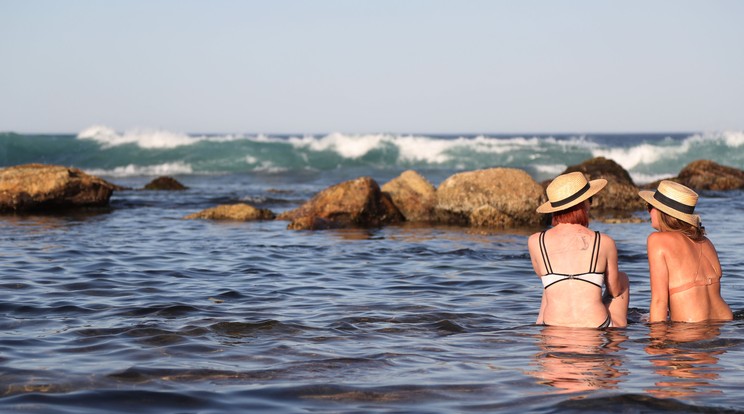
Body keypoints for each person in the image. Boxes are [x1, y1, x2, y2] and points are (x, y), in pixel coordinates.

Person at [528, 172, 629, 328]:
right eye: (590, 199)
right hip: (597, 326)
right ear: (584, 204)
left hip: (551, 325)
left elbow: (541, 274)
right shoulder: (604, 241)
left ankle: (540, 324)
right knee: (622, 279)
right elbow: (614, 291)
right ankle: (614, 348)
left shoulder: (535, 241)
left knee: (550, 283)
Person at [639, 180, 733, 323]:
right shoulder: (706, 242)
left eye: (650, 206)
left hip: (690, 328)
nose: (647, 211)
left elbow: (659, 301)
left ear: (662, 212)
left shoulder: (657, 240)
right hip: (723, 323)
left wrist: (656, 342)